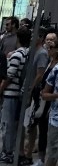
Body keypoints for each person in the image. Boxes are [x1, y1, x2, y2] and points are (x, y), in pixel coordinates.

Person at [0, 25, 32, 164]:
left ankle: (7, 152)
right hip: (17, 93)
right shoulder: (27, 53)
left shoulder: (17, 55)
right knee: (13, 124)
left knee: (8, 124)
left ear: (18, 38)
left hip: (10, 93)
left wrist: (0, 89)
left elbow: (9, 75)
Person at [35, 38, 58, 166]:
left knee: (51, 133)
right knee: (42, 129)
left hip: (54, 101)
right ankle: (41, 159)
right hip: (44, 99)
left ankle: (49, 159)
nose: (48, 50)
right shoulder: (50, 62)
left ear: (57, 49)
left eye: (51, 47)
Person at [24, 28, 50, 161]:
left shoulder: (42, 53)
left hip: (34, 92)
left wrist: (30, 89)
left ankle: (29, 154)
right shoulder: (32, 51)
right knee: (28, 122)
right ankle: (26, 150)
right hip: (28, 89)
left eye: (34, 35)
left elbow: (40, 74)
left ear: (40, 37)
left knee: (32, 123)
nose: (31, 37)